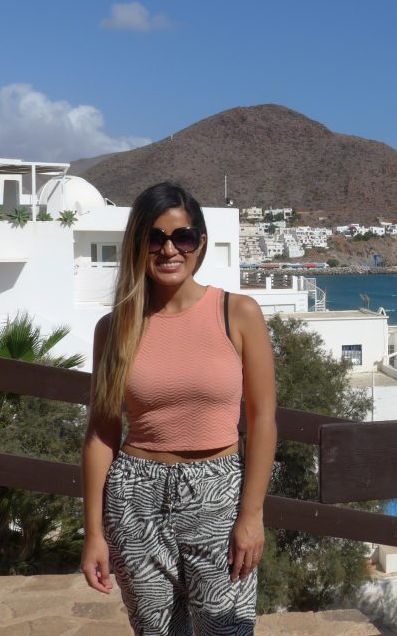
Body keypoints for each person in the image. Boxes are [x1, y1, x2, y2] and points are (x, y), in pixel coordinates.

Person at [80, 182, 277, 635]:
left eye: (182, 237)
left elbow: (263, 419)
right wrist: (93, 532)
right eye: (155, 237)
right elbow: (101, 433)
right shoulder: (114, 329)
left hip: (218, 495)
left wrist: (251, 515)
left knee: (228, 630)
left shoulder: (238, 313)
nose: (169, 249)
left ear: (200, 243)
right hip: (134, 499)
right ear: (137, 245)